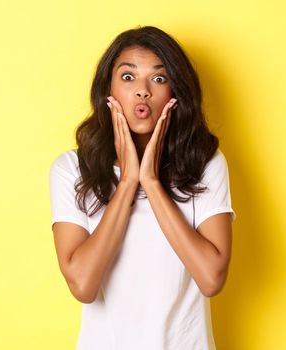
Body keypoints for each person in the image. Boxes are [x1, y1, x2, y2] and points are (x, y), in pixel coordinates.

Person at [48, 25, 236, 350]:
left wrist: (151, 182)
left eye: (159, 78)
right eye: (128, 77)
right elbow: (83, 284)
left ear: (175, 92)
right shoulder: (71, 170)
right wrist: (127, 185)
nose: (143, 91)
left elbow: (211, 278)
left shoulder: (205, 163)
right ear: (107, 89)